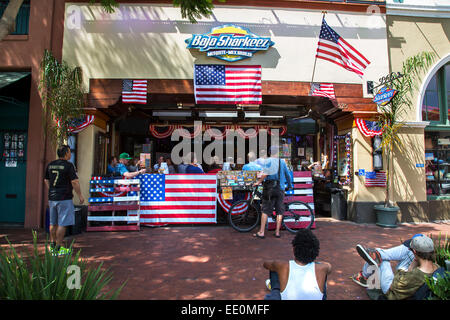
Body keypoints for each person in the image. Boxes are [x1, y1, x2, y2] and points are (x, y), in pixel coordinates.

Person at [351, 234, 440, 300]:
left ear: (415, 252)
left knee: (384, 261)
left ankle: (374, 260)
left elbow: (393, 287)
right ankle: (377, 254)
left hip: (391, 291)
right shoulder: (436, 266)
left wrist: (410, 268)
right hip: (407, 282)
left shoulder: (415, 275)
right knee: (392, 254)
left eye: (412, 250)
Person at [263, 229, 332, 300]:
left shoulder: (282, 265)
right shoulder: (323, 267)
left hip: (282, 274)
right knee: (323, 274)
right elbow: (329, 267)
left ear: (294, 249)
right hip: (317, 269)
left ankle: (275, 290)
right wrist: (317, 264)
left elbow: (265, 264)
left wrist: (276, 265)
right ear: (316, 251)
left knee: (274, 269)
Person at [44, 145, 85, 256]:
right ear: (66, 153)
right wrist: (80, 195)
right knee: (63, 223)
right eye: (69, 152)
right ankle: (58, 247)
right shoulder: (68, 166)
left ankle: (52, 245)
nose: (70, 154)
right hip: (64, 197)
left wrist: (52, 189)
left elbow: (46, 179)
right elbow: (75, 182)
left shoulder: (50, 165)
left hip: (52, 197)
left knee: (53, 222)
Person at [253, 145, 293, 238]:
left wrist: (258, 182)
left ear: (270, 152)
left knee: (265, 210)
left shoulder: (268, 161)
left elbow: (265, 173)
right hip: (280, 189)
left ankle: (261, 232)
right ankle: (277, 232)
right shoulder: (282, 162)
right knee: (279, 210)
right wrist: (290, 185)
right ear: (277, 152)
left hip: (270, 189)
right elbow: (288, 175)